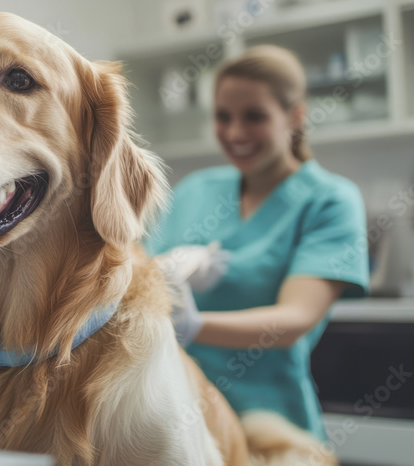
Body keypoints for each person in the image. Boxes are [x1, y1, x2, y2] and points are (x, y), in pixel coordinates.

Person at [146, 45, 369, 441]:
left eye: (254, 117)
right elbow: (135, 274)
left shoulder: (330, 200)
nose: (235, 133)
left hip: (272, 424)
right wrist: (166, 269)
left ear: (295, 117)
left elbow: (296, 318)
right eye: (223, 116)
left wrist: (192, 325)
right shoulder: (196, 190)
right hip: (180, 419)